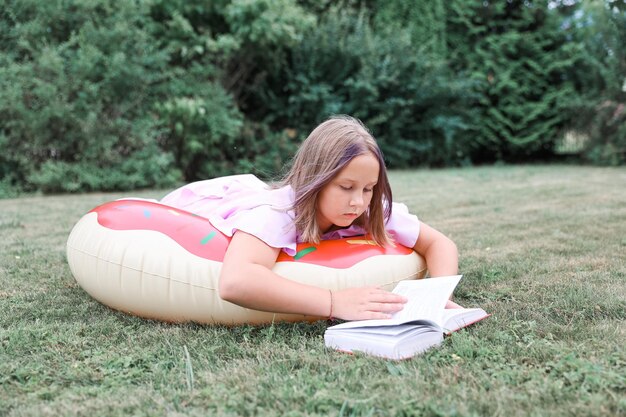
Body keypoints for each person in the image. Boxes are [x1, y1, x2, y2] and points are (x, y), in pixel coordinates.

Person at [160, 115, 458, 321]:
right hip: (207, 204)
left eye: (368, 188)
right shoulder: (278, 213)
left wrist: (438, 294)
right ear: (316, 179)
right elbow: (236, 282)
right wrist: (335, 302)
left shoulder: (368, 207)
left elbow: (439, 244)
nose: (358, 201)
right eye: (345, 187)